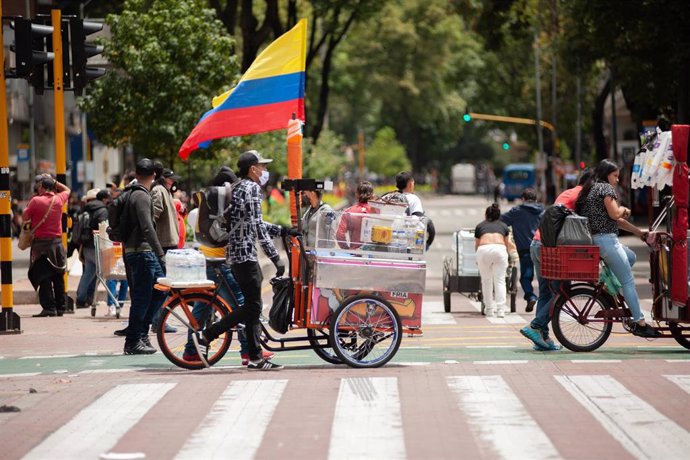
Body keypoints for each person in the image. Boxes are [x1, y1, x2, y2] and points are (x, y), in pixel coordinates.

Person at [193, 150, 296, 370]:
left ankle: (255, 357)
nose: (265, 171)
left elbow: (252, 223)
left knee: (251, 307)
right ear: (253, 169)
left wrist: (283, 231)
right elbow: (257, 226)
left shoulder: (238, 188)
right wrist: (276, 257)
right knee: (251, 307)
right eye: (263, 167)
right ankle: (207, 334)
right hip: (245, 256)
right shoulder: (251, 189)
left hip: (237, 256)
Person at [182, 166, 274, 366]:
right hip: (223, 263)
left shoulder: (199, 210)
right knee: (242, 306)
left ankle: (191, 351)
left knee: (202, 307)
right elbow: (249, 225)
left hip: (206, 262)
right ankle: (248, 350)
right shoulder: (227, 208)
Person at [575, 159, 660, 338]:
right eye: (615, 176)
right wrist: (624, 209)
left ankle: (609, 283)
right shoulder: (605, 189)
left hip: (600, 241)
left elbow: (615, 220)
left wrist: (639, 233)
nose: (617, 180)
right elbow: (616, 214)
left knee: (630, 257)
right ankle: (639, 322)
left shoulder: (591, 189)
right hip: (607, 241)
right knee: (628, 282)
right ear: (607, 174)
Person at [520, 169, 594, 350]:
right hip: (550, 248)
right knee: (561, 290)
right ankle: (536, 326)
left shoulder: (567, 192)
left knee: (546, 292)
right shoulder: (582, 196)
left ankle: (542, 338)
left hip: (537, 244)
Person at [121, 158, 167, 354]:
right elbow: (148, 228)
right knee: (142, 297)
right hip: (142, 252)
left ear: (136, 173)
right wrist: (161, 254)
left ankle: (141, 333)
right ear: (154, 175)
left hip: (139, 252)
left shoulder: (134, 193)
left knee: (161, 290)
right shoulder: (141, 196)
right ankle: (133, 340)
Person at [23, 175, 71, 317]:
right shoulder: (59, 199)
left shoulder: (36, 200)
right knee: (58, 276)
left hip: (41, 245)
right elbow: (67, 189)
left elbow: (25, 217)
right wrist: (54, 182)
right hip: (56, 244)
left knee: (43, 276)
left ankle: (49, 308)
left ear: (42, 187)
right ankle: (61, 307)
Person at [500, 188, 544, 312]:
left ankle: (530, 296)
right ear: (536, 199)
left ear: (523, 199)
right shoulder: (543, 211)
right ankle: (546, 303)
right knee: (544, 277)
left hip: (525, 248)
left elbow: (501, 221)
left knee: (526, 277)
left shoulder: (517, 211)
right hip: (542, 247)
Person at [150, 164, 180, 333]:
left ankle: (158, 320)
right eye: (171, 179)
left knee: (164, 285)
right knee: (163, 286)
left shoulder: (164, 191)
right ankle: (158, 321)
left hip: (167, 243)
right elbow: (153, 215)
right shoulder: (159, 191)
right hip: (163, 244)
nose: (173, 182)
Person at [475, 203, 518, 318]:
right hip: (499, 249)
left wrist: (478, 259)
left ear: (486, 215)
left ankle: (489, 310)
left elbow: (477, 245)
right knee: (500, 281)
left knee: (486, 281)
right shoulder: (504, 226)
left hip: (483, 250)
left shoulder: (480, 226)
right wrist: (513, 255)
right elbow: (507, 243)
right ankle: (500, 310)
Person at [75, 188, 109, 310]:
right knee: (103, 274)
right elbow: (103, 228)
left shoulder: (86, 208)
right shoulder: (103, 211)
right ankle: (92, 299)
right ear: (104, 199)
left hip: (86, 246)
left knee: (88, 273)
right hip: (96, 246)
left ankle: (80, 299)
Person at [335, 181, 375, 250]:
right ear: (372, 195)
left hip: (355, 254)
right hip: (374, 255)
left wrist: (347, 249)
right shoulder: (377, 211)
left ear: (356, 195)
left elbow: (339, 235)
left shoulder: (348, 212)